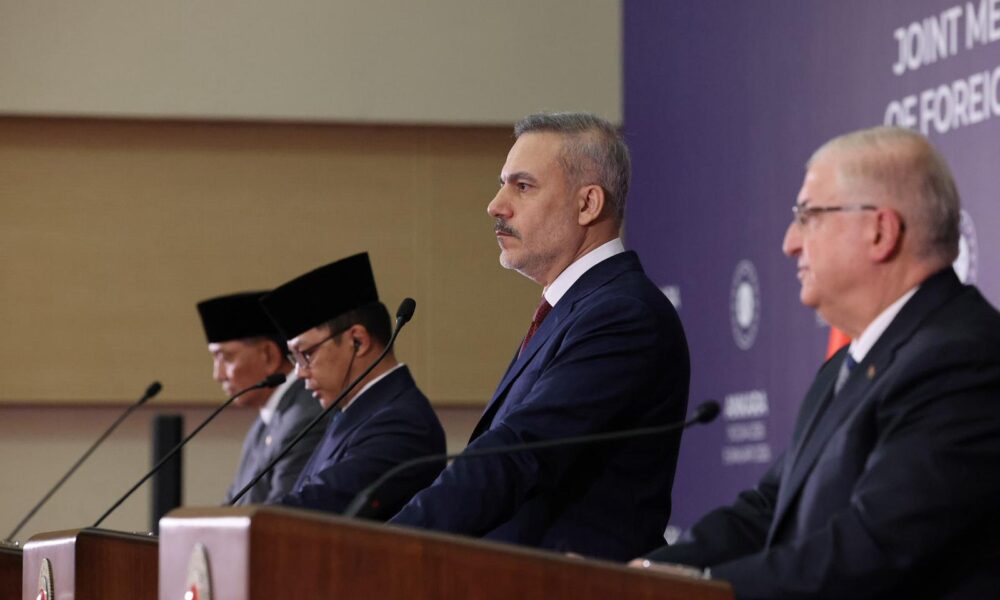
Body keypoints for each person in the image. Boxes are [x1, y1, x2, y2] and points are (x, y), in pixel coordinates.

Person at [638, 126, 1000, 598]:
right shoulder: (849, 362)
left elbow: (872, 551)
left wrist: (699, 591)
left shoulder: (961, 359)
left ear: (880, 231)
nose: (790, 242)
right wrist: (645, 574)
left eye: (808, 216)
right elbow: (769, 509)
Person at [390, 112, 691, 560]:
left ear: (588, 204)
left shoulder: (623, 314)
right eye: (502, 184)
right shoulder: (574, 308)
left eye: (522, 186)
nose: (496, 205)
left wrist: (388, 544)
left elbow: (520, 453)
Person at [259, 252, 446, 520]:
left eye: (306, 354)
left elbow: (322, 505)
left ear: (358, 341)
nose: (299, 373)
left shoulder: (402, 423)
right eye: (295, 358)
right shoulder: (353, 411)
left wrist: (247, 520)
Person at [196, 291, 328, 505]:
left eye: (226, 358)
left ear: (269, 355)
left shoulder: (304, 418)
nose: (218, 375)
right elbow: (234, 503)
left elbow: (280, 516)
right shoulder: (266, 420)